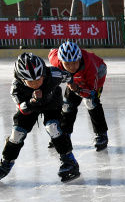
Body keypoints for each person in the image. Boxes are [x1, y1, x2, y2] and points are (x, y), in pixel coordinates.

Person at [1, 53, 79, 182]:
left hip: (52, 104)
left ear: (43, 73)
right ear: (22, 79)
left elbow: (68, 76)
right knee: (17, 134)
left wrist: (72, 85)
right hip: (29, 107)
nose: (36, 84)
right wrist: (32, 101)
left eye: (38, 79)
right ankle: (6, 162)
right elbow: (22, 109)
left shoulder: (54, 74)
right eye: (31, 82)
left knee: (53, 128)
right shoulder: (16, 88)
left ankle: (69, 161)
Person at [47, 41, 109, 151]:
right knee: (67, 105)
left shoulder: (90, 65)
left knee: (91, 102)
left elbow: (91, 91)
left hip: (97, 75)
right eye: (67, 64)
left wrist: (77, 88)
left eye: (74, 62)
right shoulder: (56, 61)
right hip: (75, 80)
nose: (71, 67)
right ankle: (65, 133)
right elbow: (51, 53)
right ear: (61, 61)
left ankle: (101, 134)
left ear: (80, 59)